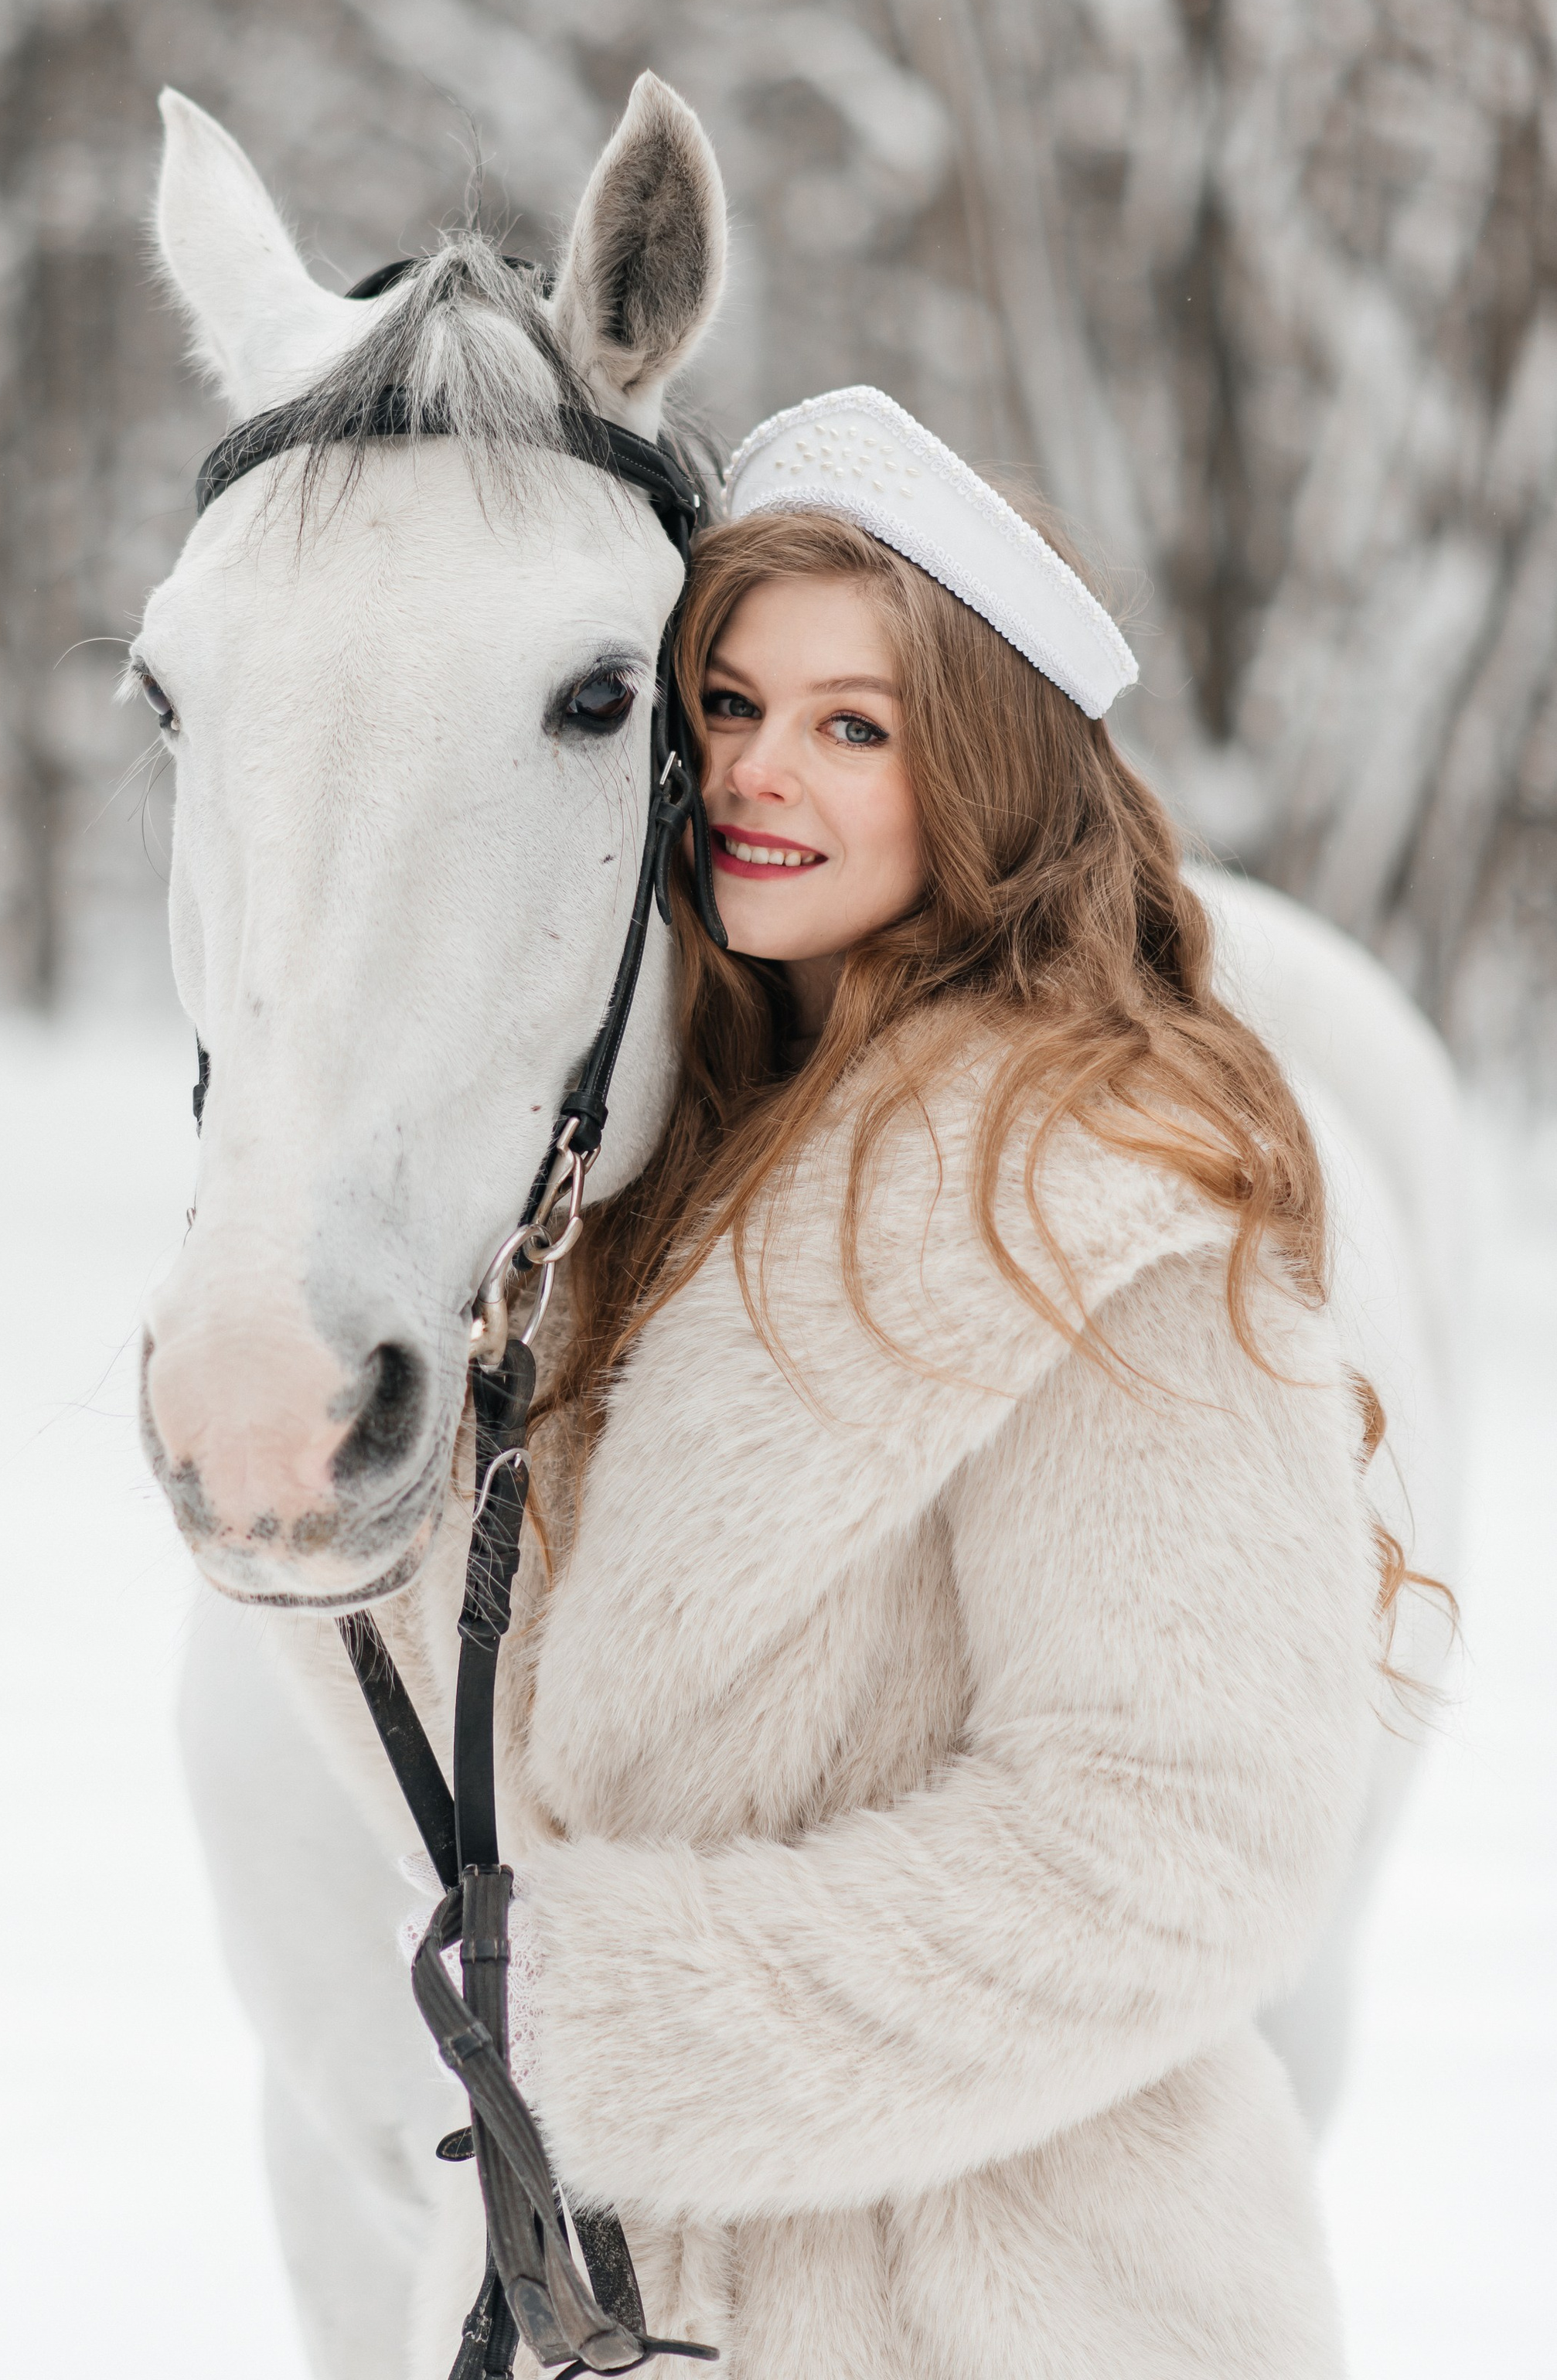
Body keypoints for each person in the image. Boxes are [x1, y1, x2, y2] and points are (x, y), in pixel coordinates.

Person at [443, 387, 1399, 2378]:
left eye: (849, 725)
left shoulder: (1106, 1213)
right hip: (645, 2304)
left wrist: (636, 2024)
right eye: (726, 703)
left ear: (979, 773)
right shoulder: (655, 1165)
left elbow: (1189, 1837)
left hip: (1022, 2310)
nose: (755, 772)